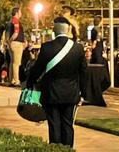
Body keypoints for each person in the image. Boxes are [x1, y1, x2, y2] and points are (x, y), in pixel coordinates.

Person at [26, 17, 87, 147]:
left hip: (51, 93)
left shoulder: (47, 47)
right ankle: (68, 149)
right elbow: (84, 73)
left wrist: (30, 84)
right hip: (70, 93)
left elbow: (37, 70)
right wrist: (83, 94)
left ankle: (55, 149)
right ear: (68, 30)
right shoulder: (78, 48)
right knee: (68, 125)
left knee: (54, 125)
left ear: (54, 30)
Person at [6, 6, 25, 86]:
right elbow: (16, 33)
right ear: (17, 13)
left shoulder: (10, 22)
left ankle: (10, 80)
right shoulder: (16, 21)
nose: (21, 14)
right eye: (20, 12)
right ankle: (16, 80)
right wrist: (11, 40)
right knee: (16, 63)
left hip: (11, 44)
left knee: (12, 62)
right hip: (16, 43)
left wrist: (8, 42)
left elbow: (7, 33)